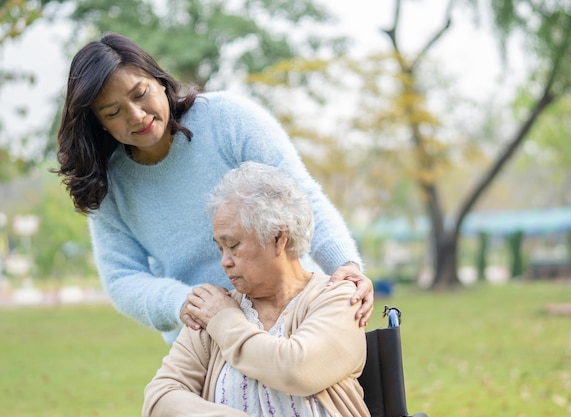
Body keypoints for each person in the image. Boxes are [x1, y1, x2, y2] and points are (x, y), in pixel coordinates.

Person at [53, 33, 373, 344]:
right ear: (100, 123)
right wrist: (187, 302)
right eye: (113, 112)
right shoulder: (108, 183)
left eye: (140, 94)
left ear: (160, 81)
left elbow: (303, 197)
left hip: (295, 316)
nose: (137, 116)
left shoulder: (227, 119)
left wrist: (344, 265)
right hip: (207, 337)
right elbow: (122, 278)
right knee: (166, 399)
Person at [143, 162, 370, 417]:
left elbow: (295, 370)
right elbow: (160, 397)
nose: (224, 261)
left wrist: (224, 321)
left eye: (234, 245)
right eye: (220, 248)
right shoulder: (212, 309)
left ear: (278, 238)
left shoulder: (339, 298)